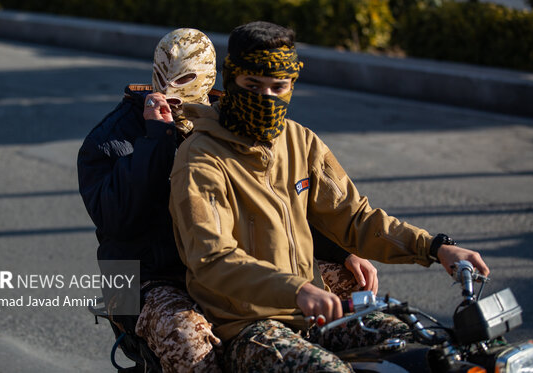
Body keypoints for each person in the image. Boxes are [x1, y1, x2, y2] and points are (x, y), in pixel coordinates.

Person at [168, 21, 490, 372]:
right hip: (246, 326)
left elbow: (355, 218)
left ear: (292, 86)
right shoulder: (200, 157)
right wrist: (296, 291)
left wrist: (435, 247)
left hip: (313, 317)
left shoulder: (300, 142)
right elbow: (212, 258)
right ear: (231, 81)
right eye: (253, 85)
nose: (266, 98)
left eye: (279, 86)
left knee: (423, 349)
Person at [77, 27, 379, 372]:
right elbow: (117, 219)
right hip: (141, 276)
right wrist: (155, 140)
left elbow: (279, 197)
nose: (169, 89)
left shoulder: (231, 120)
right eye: (162, 76)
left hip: (228, 265)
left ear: (209, 78)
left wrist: (341, 251)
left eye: (185, 78)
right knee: (190, 346)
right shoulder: (107, 140)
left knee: (351, 290)